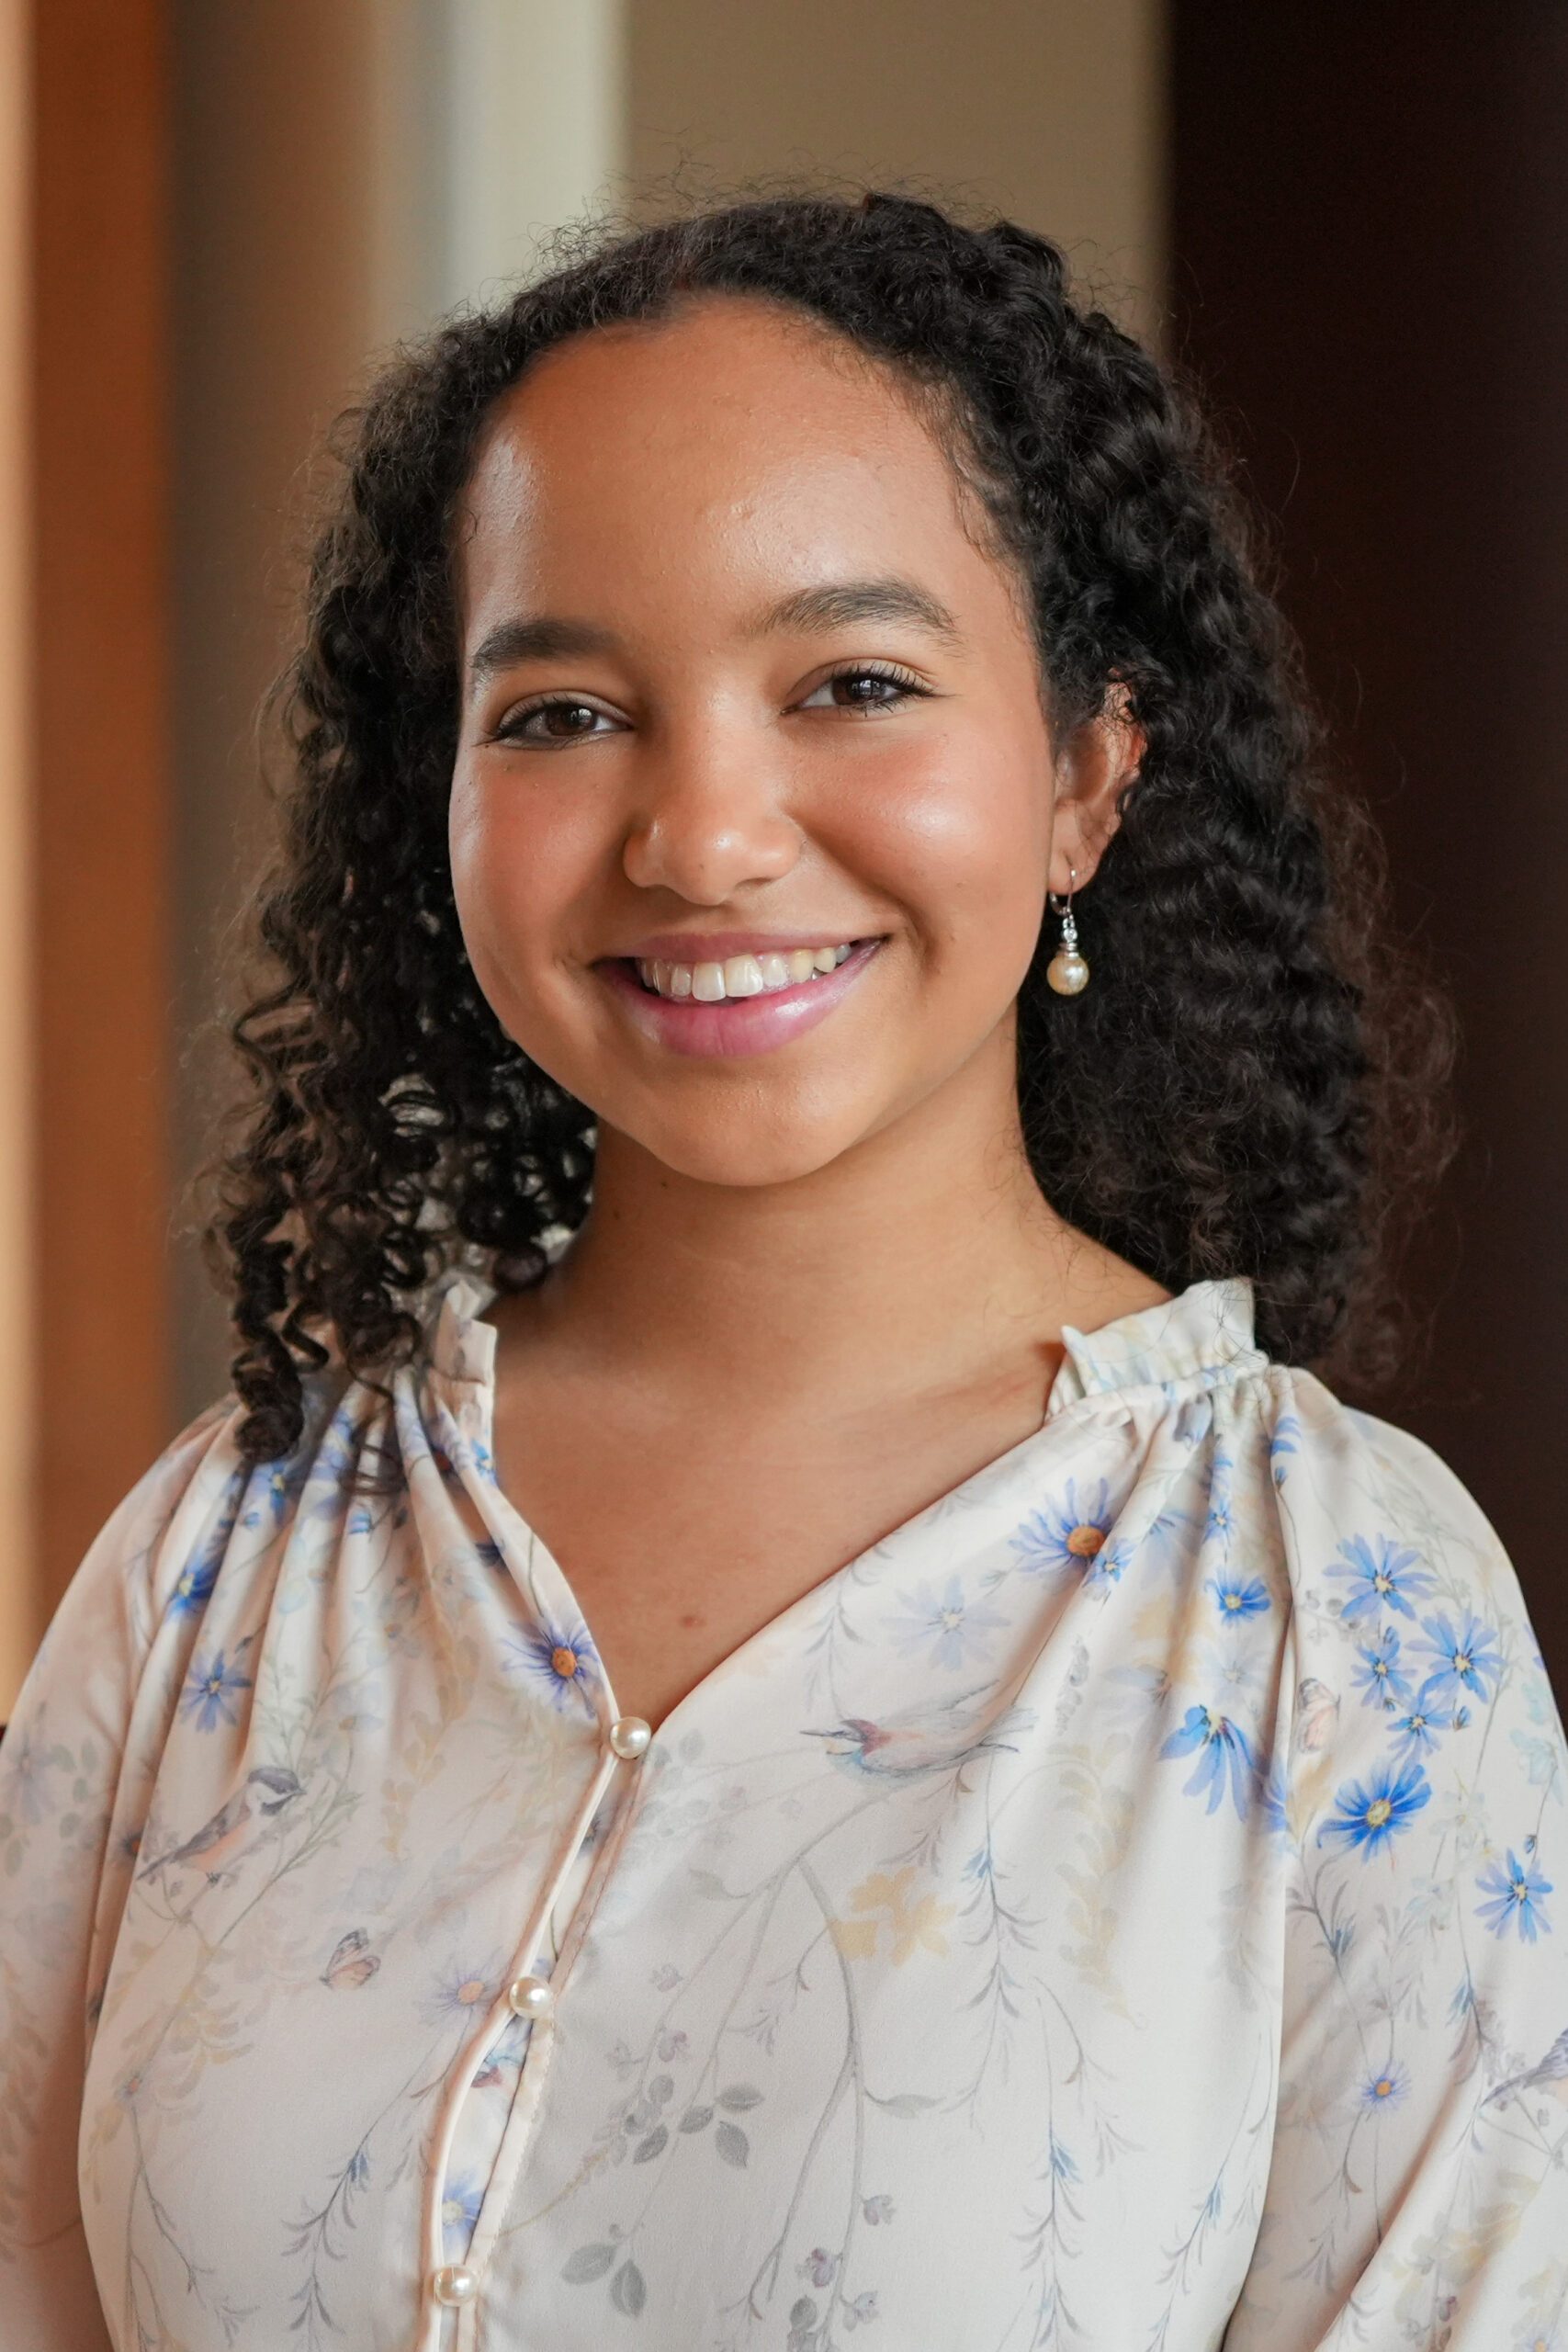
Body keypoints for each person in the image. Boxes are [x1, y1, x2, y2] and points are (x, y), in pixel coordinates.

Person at [2, 193, 1564, 2352]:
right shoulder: (231, 1562)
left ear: (1086, 772)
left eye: (850, 682)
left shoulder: (1332, 1614)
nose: (703, 834)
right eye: (559, 711)